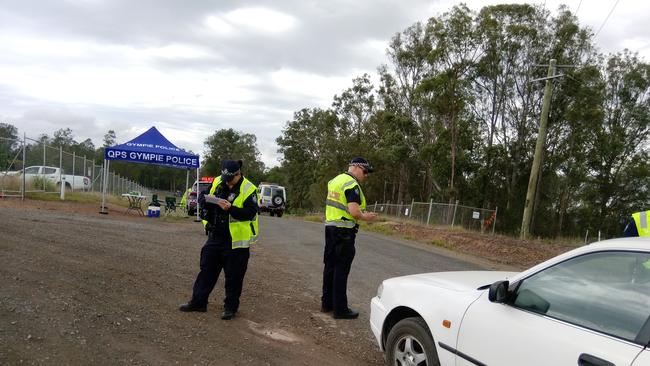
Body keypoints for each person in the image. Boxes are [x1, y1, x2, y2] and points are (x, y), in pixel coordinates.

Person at [179, 160, 259, 320]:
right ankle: (198, 302)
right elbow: (203, 197)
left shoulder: (249, 189)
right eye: (225, 178)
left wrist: (230, 208)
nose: (227, 182)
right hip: (215, 235)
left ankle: (230, 308)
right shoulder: (218, 181)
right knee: (206, 269)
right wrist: (208, 201)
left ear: (239, 174)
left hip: (236, 241)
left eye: (230, 179)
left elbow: (250, 213)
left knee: (234, 276)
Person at [321, 157, 378, 319]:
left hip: (330, 228)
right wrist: (367, 217)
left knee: (330, 267)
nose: (366, 175)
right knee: (341, 270)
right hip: (344, 232)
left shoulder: (335, 181)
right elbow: (354, 212)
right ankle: (340, 309)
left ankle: (327, 303)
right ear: (357, 167)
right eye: (365, 171)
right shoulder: (351, 184)